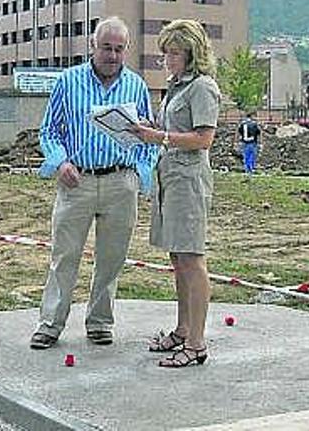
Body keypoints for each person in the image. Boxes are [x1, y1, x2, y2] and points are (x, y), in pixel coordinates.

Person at [30, 17, 156, 350]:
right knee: (65, 255)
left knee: (112, 258)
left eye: (118, 49)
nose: (112, 56)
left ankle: (100, 322)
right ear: (92, 45)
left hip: (119, 182)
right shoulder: (68, 82)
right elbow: (49, 130)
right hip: (77, 182)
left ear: (126, 49)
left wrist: (140, 174)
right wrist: (60, 161)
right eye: (106, 48)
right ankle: (50, 323)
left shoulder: (137, 87)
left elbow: (149, 136)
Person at [131, 19, 220, 368]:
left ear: (190, 53)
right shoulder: (177, 86)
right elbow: (172, 130)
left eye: (173, 53)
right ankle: (183, 329)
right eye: (164, 53)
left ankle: (197, 342)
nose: (167, 60)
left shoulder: (202, 87)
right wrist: (146, 129)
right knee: (177, 258)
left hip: (189, 180)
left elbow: (203, 139)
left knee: (192, 258)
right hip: (169, 175)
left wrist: (161, 138)